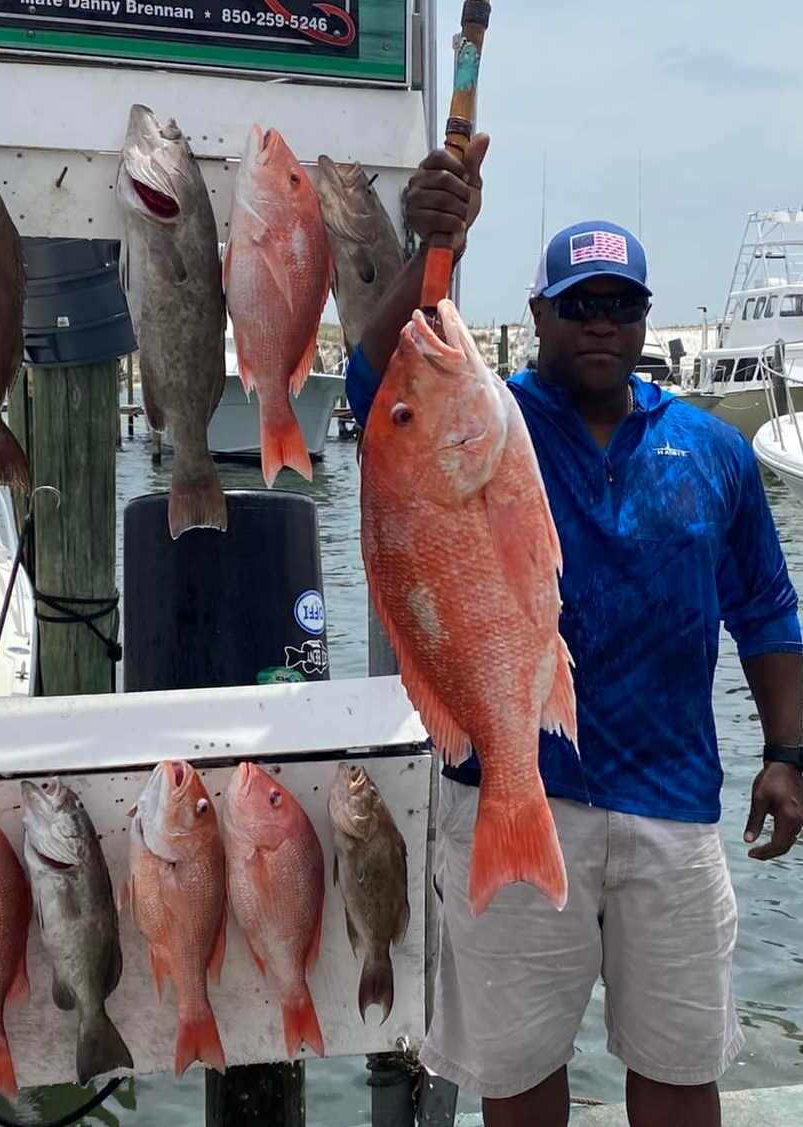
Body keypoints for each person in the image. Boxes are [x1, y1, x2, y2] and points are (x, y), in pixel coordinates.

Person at [346, 134, 803, 1127]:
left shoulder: (711, 448)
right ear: (537, 314)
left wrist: (785, 751)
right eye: (579, 304)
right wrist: (431, 248)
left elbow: (765, 609)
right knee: (514, 1071)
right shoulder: (489, 419)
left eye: (621, 304)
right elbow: (368, 386)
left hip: (672, 801)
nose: (602, 323)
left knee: (680, 1063)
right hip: (513, 785)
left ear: (642, 317)